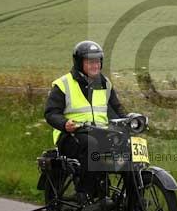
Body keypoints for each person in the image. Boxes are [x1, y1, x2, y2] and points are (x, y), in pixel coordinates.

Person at [44, 40, 127, 201]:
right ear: (79, 63)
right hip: (70, 135)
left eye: (97, 61)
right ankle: (83, 192)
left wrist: (130, 120)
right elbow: (51, 113)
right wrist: (64, 124)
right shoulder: (63, 84)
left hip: (101, 133)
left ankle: (128, 197)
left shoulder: (105, 84)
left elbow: (117, 110)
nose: (95, 65)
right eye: (90, 62)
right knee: (92, 146)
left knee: (126, 144)